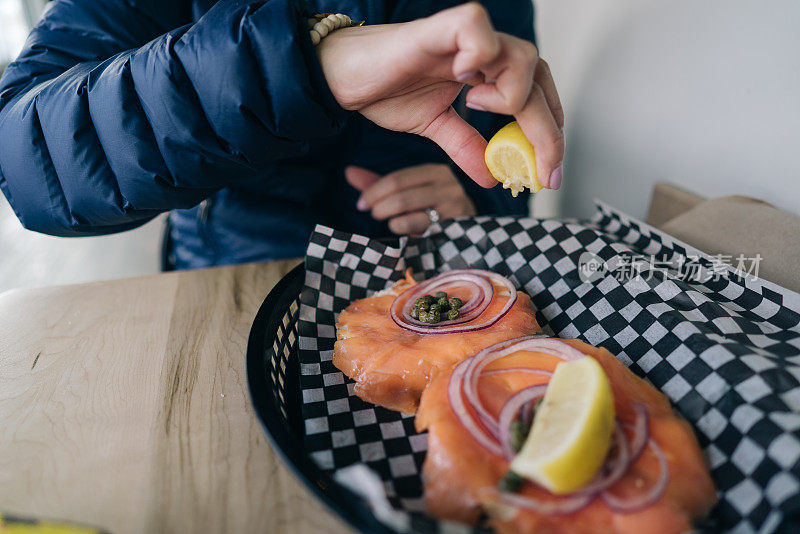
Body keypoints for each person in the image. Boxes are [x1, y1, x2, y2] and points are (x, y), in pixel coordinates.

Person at [0, 0, 564, 269]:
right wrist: (306, 67)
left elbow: (503, 179)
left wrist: (474, 205)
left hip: (410, 284)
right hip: (224, 279)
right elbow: (26, 158)